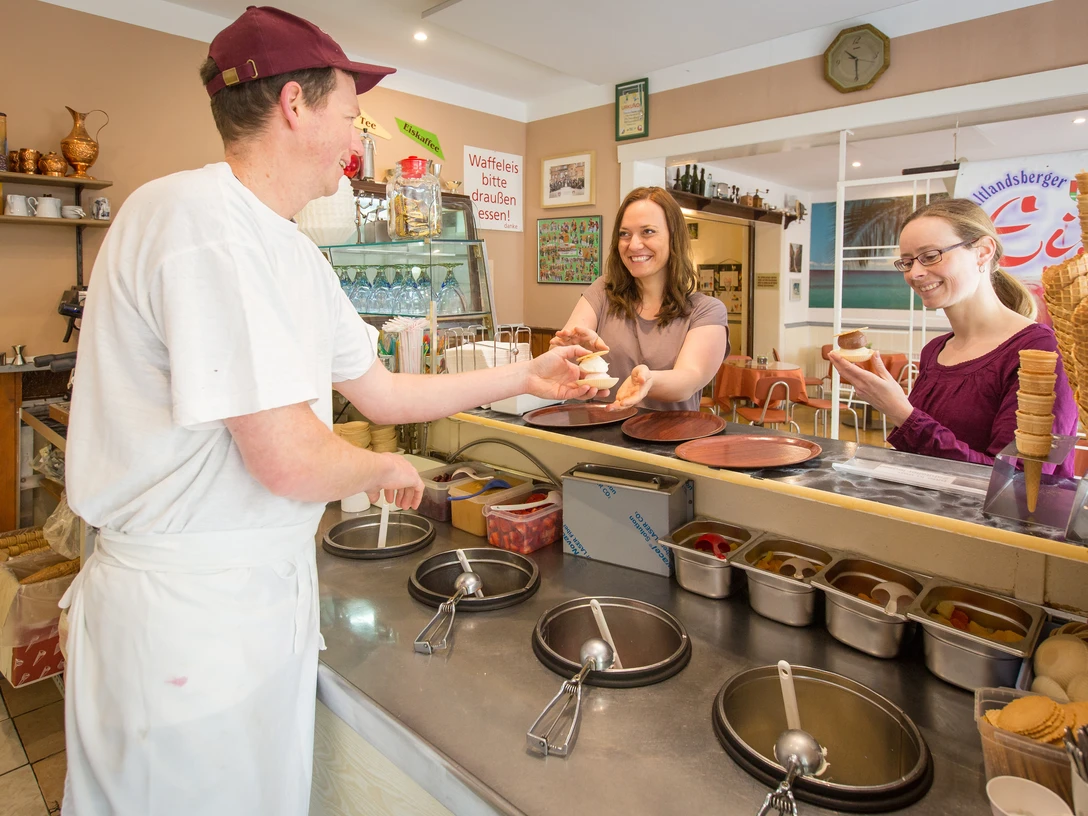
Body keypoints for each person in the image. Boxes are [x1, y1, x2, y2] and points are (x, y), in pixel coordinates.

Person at [61, 7, 602, 815]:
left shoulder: (289, 251)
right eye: (349, 113)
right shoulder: (198, 224)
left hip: (249, 601)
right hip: (185, 622)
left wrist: (529, 373)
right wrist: (384, 464)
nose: (356, 137)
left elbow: (381, 389)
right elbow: (287, 456)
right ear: (294, 107)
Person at [830, 198, 1076, 474]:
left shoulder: (1041, 352)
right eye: (907, 262)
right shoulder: (935, 350)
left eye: (931, 256)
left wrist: (901, 413)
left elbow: (1016, 481)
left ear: (983, 251)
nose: (915, 273)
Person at [551, 186, 729, 411]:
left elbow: (689, 378)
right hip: (596, 434)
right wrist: (567, 351)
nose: (633, 245)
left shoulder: (706, 311)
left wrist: (648, 380)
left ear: (674, 237)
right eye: (624, 234)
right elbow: (566, 350)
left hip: (667, 442)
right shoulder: (602, 291)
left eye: (648, 232)